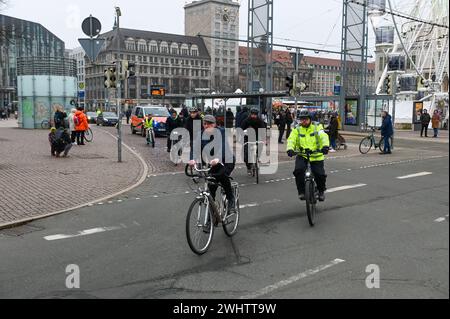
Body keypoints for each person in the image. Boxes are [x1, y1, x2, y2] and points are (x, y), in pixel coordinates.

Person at [188, 115, 236, 222]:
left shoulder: (221, 132)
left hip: (226, 160)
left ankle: (231, 199)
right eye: (205, 124)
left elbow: (223, 146)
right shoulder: (201, 135)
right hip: (213, 163)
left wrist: (218, 158)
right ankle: (211, 214)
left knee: (222, 176)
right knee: (211, 186)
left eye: (209, 123)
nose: (206, 126)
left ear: (215, 125)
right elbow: (195, 148)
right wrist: (192, 159)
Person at [286, 109, 330, 202]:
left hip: (316, 154)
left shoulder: (317, 127)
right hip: (302, 155)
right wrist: (290, 149)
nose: (303, 121)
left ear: (310, 119)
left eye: (305, 119)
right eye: (301, 119)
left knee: (320, 174)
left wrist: (325, 146)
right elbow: (291, 139)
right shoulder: (297, 129)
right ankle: (301, 191)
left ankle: (321, 191)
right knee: (298, 171)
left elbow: (323, 136)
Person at [241, 108, 266, 176]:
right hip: (247, 139)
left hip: (257, 138)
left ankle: (257, 158)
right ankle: (248, 167)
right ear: (250, 114)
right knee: (246, 155)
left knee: (260, 148)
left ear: (257, 115)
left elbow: (263, 130)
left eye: (255, 115)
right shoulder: (246, 121)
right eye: (252, 114)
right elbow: (241, 130)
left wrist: (264, 139)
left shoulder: (260, 121)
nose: (254, 116)